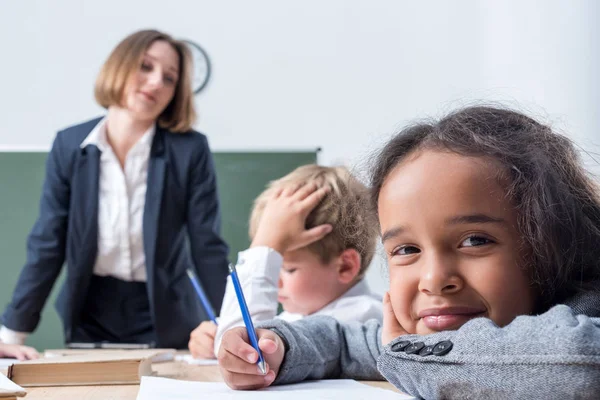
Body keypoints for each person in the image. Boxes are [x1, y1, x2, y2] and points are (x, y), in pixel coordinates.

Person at [217, 106, 600, 398]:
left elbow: (580, 362)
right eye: (406, 249)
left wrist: (404, 355)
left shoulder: (586, 312)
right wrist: (277, 345)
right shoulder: (424, 328)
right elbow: (345, 342)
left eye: (474, 241)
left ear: (553, 242)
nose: (434, 280)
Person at [0, 29, 229, 349]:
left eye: (169, 78)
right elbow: (48, 242)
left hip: (166, 315)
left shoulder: (190, 150)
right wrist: (11, 334)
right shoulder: (69, 145)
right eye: (146, 67)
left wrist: (230, 326)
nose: (155, 83)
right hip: (89, 314)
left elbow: (207, 246)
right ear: (119, 65)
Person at [188, 165, 382, 359]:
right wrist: (212, 337)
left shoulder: (363, 317)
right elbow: (233, 342)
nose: (275, 282)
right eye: (275, 268)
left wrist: (265, 244)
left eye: (288, 269)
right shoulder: (298, 315)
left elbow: (249, 352)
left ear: (345, 266)